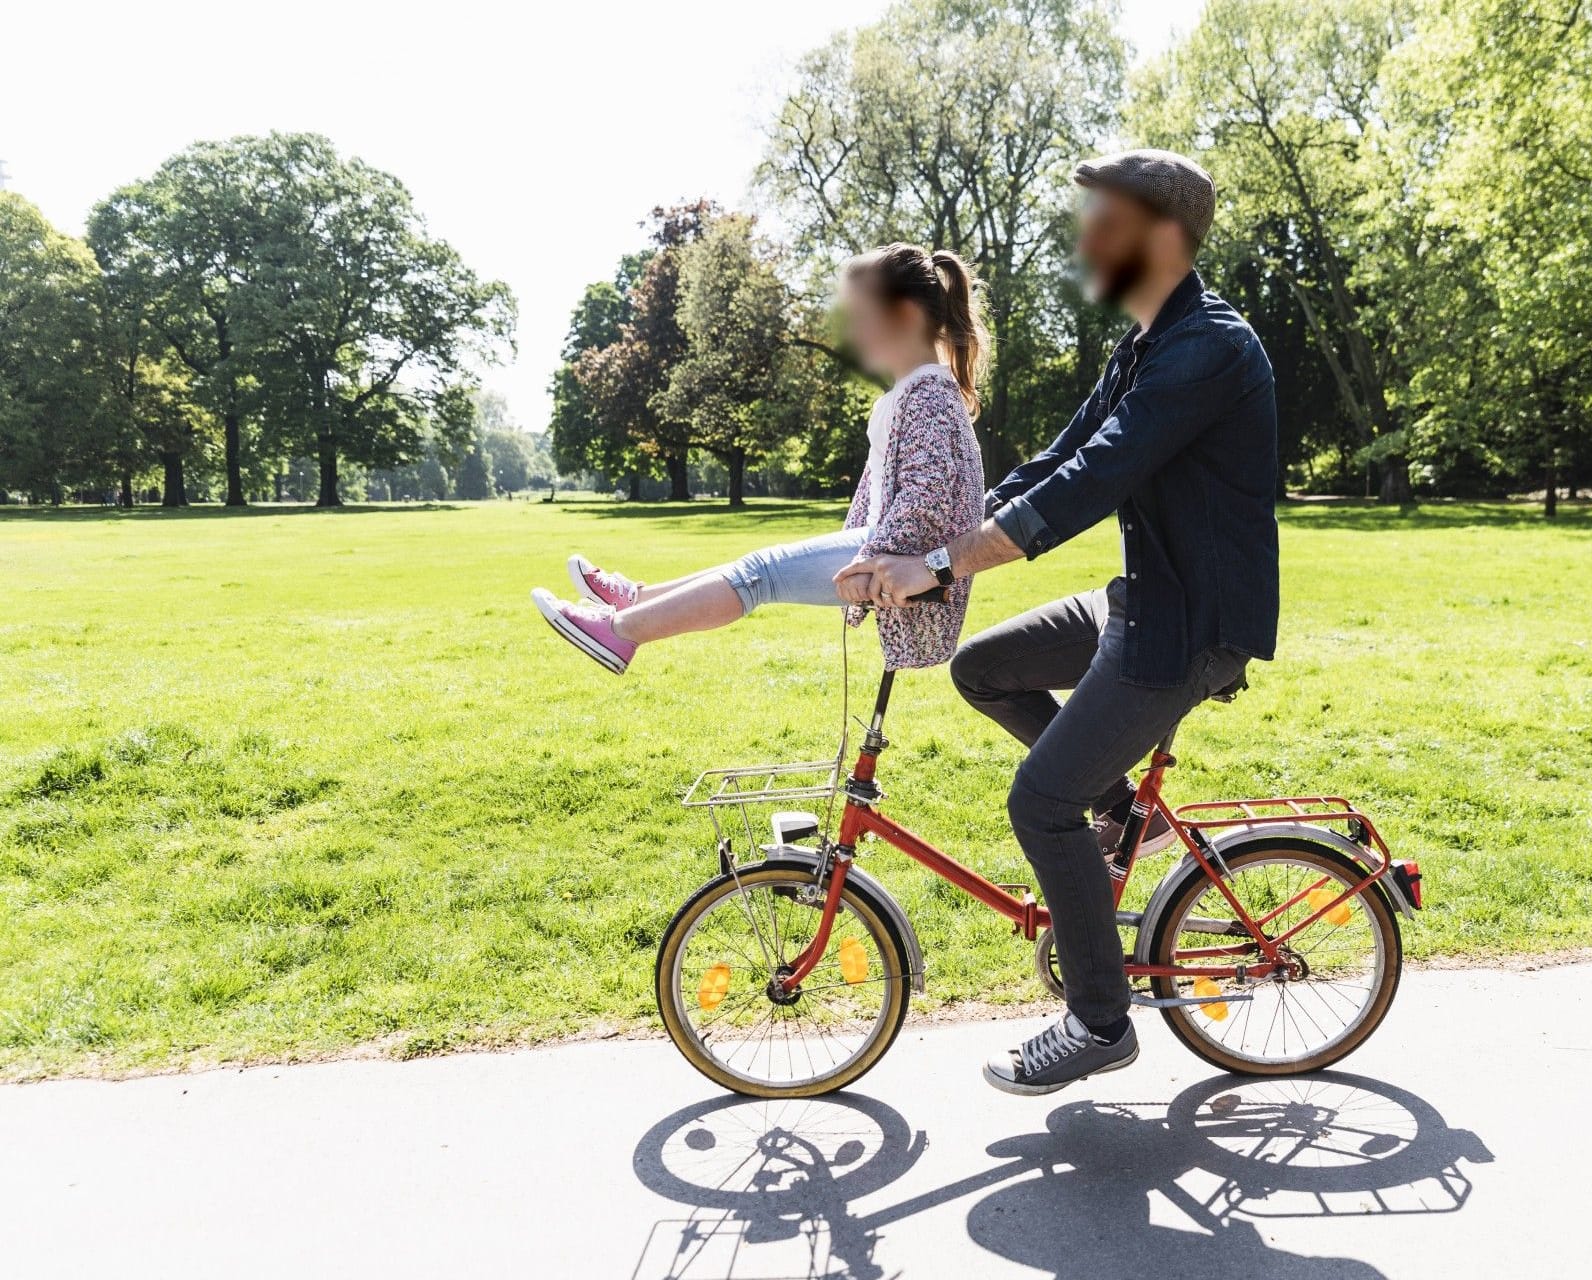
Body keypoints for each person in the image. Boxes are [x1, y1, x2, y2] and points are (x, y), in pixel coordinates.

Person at [837, 150, 1280, 1095]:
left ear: (1156, 237)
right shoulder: (1148, 343)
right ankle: (1121, 810)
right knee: (982, 668)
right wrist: (932, 540)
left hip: (1190, 626)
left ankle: (1099, 1020)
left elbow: (1094, 480)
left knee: (1040, 800)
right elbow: (1058, 455)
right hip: (1142, 601)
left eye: (1102, 220)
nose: (1083, 238)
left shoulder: (1208, 347)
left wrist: (947, 562)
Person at [531, 243, 987, 675]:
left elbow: (924, 501)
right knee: (756, 566)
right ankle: (636, 600)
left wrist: (865, 561)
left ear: (903, 316)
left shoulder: (929, 395)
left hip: (899, 556)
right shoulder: (910, 392)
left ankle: (619, 632)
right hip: (888, 545)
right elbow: (880, 497)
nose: (850, 332)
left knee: (758, 574)